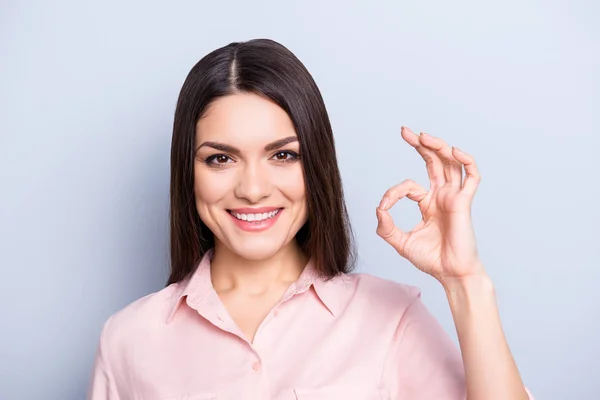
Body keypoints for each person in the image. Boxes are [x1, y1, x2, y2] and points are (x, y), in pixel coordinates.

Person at [88, 38, 534, 399]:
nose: (253, 188)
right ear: (189, 172)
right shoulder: (128, 340)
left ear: (316, 165)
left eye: (283, 155)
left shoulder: (391, 319)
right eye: (221, 158)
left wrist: (465, 281)